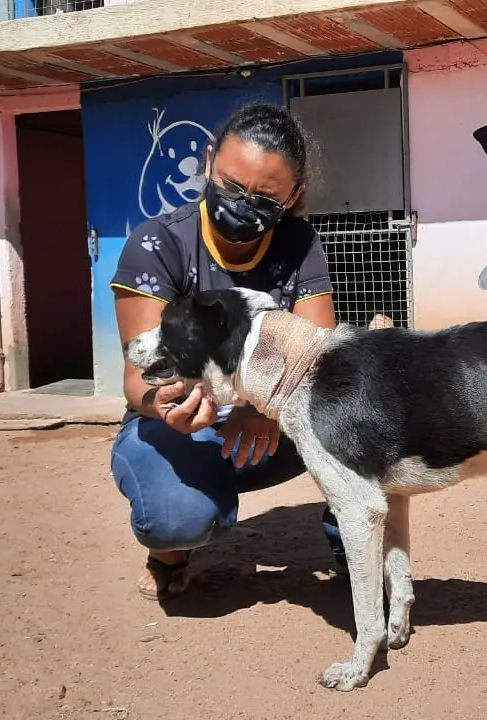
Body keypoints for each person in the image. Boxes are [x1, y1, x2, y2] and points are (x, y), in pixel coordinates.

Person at [109, 102, 346, 601]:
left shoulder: (299, 244)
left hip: (269, 421)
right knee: (177, 518)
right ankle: (171, 551)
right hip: (180, 421)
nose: (242, 204)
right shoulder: (157, 244)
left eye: (264, 197)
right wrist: (170, 409)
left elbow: (318, 356)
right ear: (211, 160)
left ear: (293, 196)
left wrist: (263, 407)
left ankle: (353, 547)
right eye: (231, 185)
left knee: (363, 421)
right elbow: (139, 378)